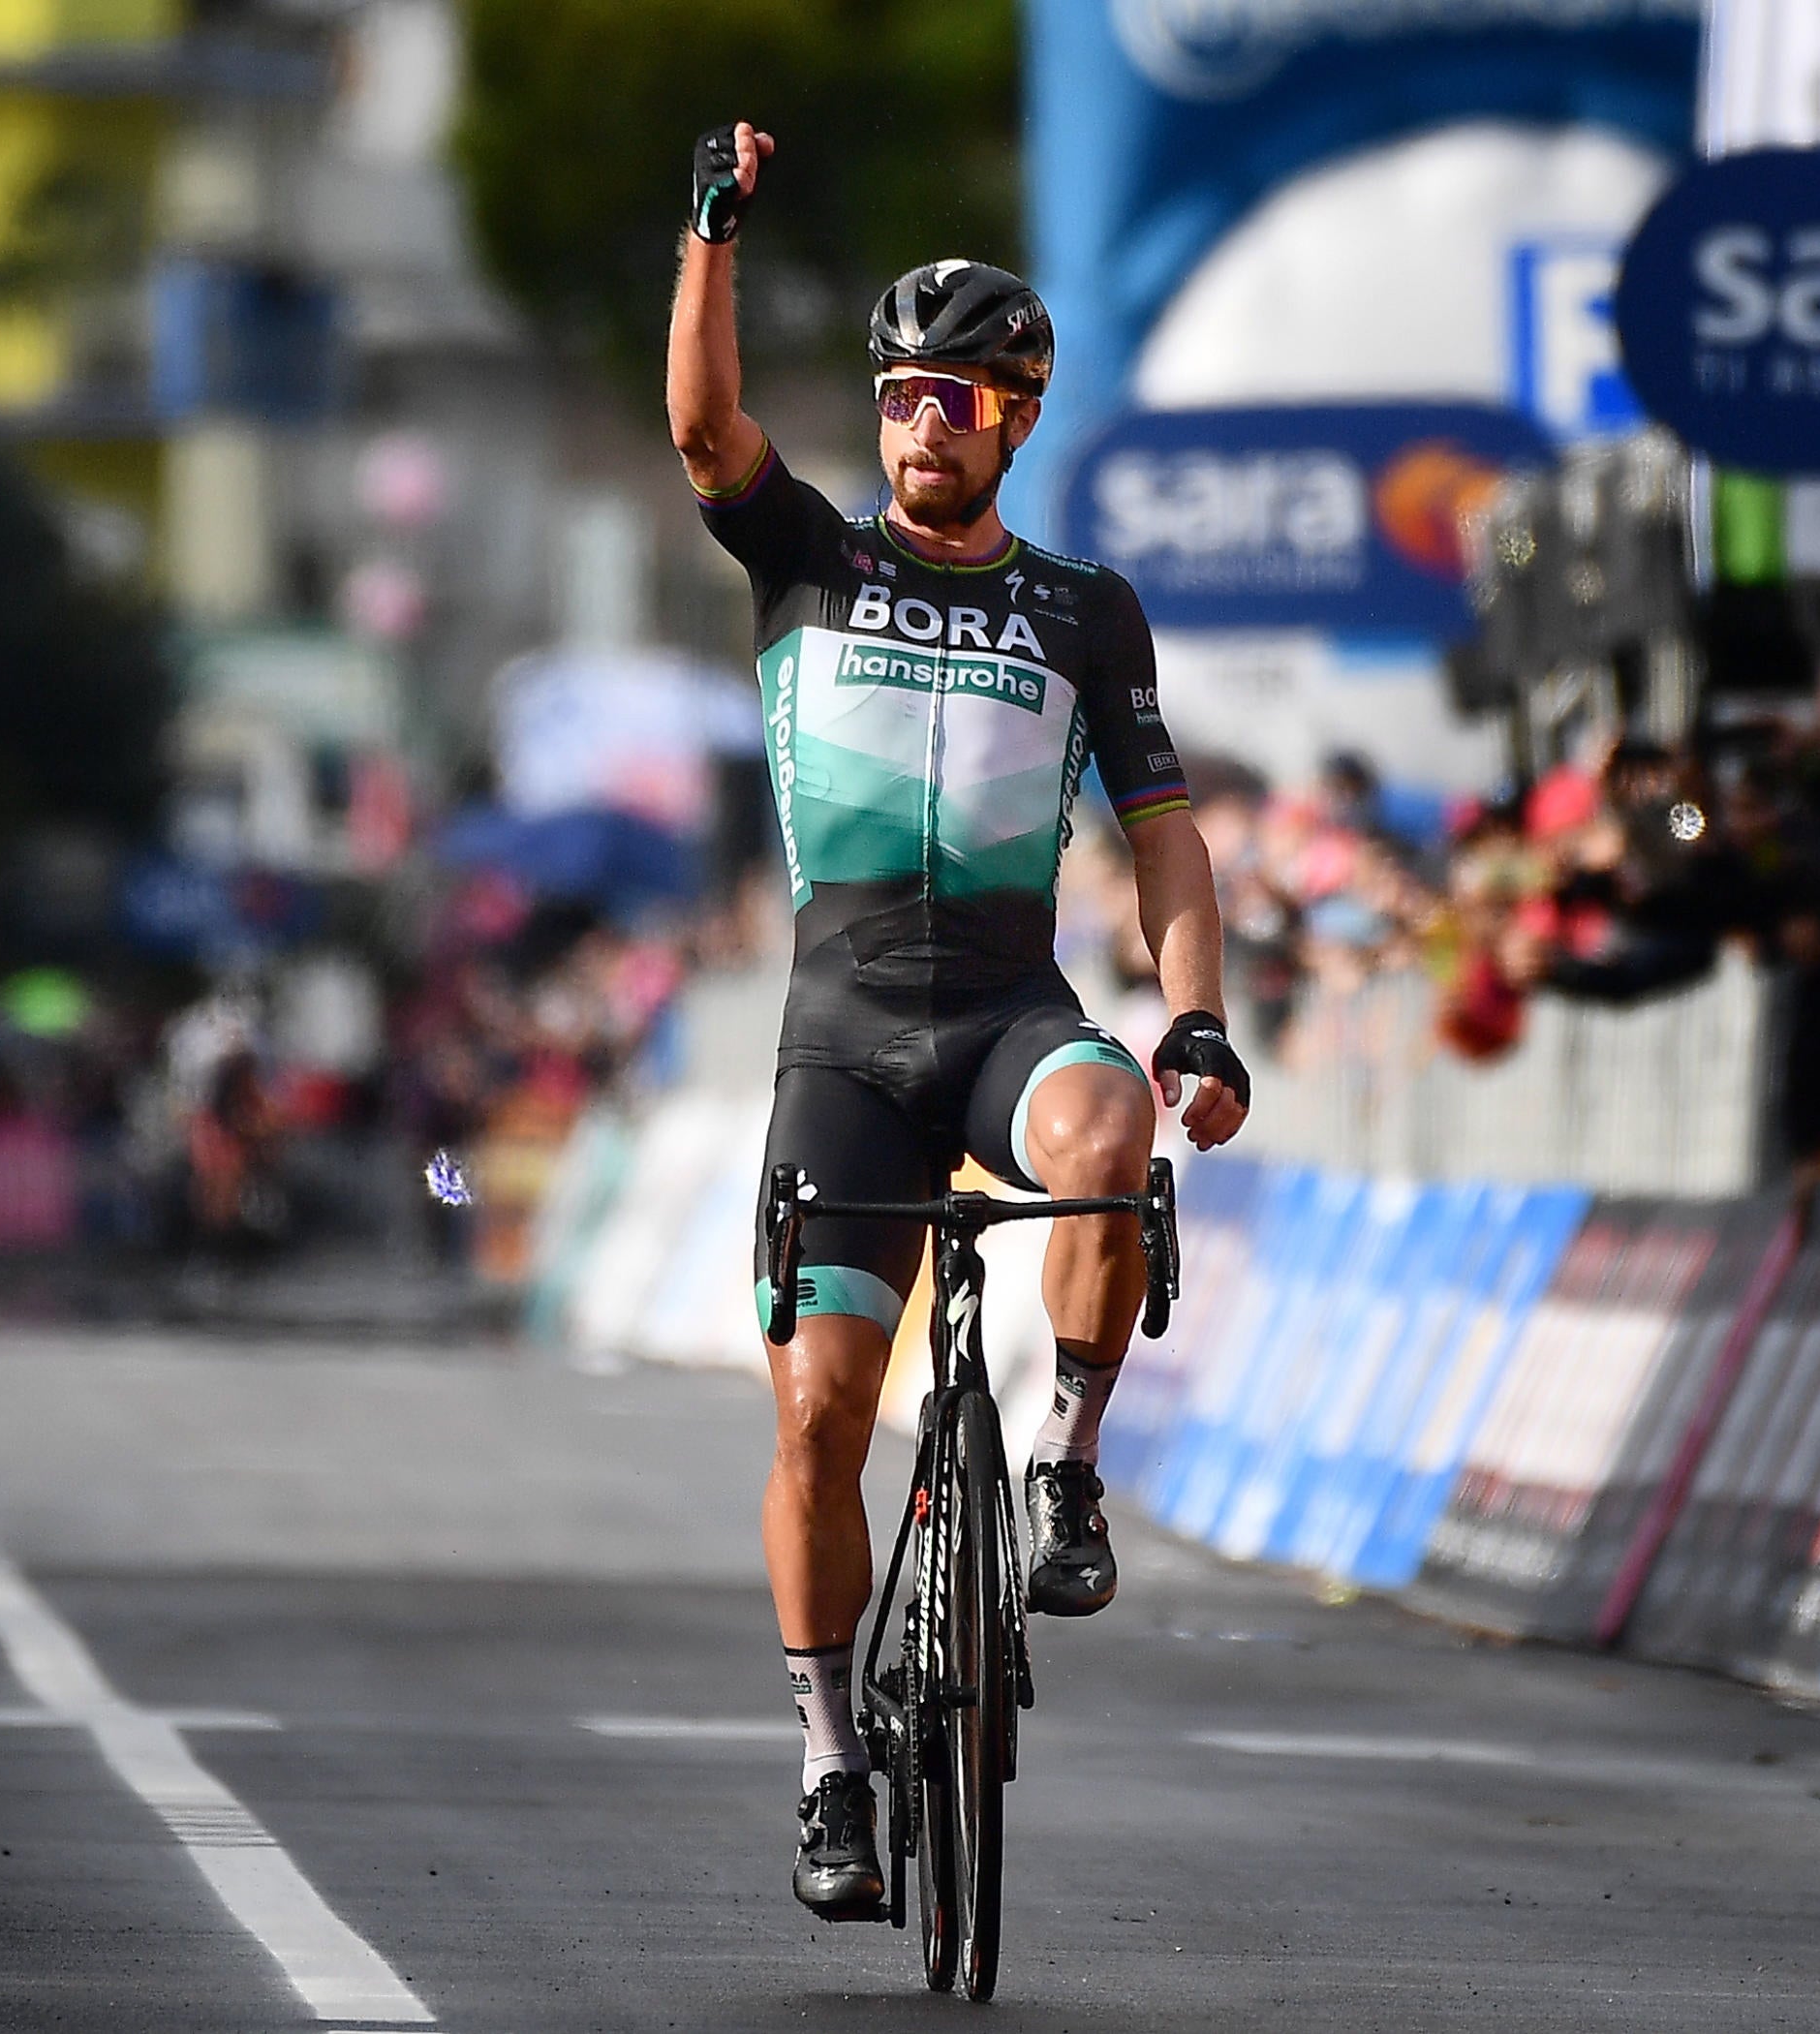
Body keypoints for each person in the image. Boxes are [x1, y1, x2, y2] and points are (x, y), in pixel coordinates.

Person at [666, 123, 1250, 1924]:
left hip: (1008, 1007)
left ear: (1017, 416)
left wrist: (1202, 1023)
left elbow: (1163, 837)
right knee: (823, 1417)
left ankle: (1067, 1469)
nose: (923, 421)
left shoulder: (1082, 614)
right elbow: (702, 429)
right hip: (843, 1037)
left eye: (959, 398)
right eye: (903, 393)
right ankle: (835, 1762)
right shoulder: (810, 560)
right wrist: (712, 237)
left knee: (1108, 1136)